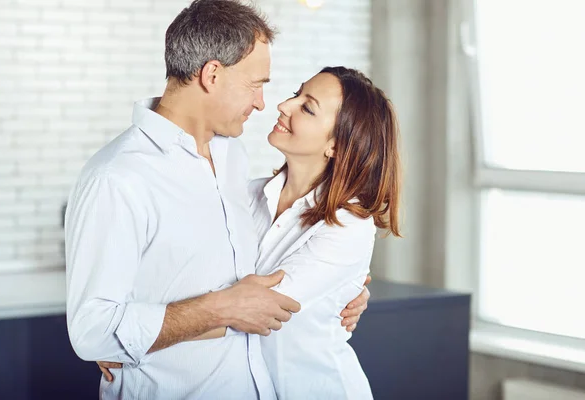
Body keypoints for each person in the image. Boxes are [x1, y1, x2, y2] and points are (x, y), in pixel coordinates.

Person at [64, 1, 369, 399]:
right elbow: (93, 331)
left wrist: (341, 291)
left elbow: (262, 275)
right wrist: (128, 338)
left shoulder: (230, 157)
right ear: (211, 74)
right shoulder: (118, 177)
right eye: (256, 83)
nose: (264, 103)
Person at [99, 67, 400, 399]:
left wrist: (128, 338)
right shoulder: (244, 195)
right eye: (297, 94)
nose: (285, 105)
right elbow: (179, 269)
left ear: (337, 145)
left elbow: (254, 311)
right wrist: (121, 332)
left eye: (307, 107)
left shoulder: (348, 226)